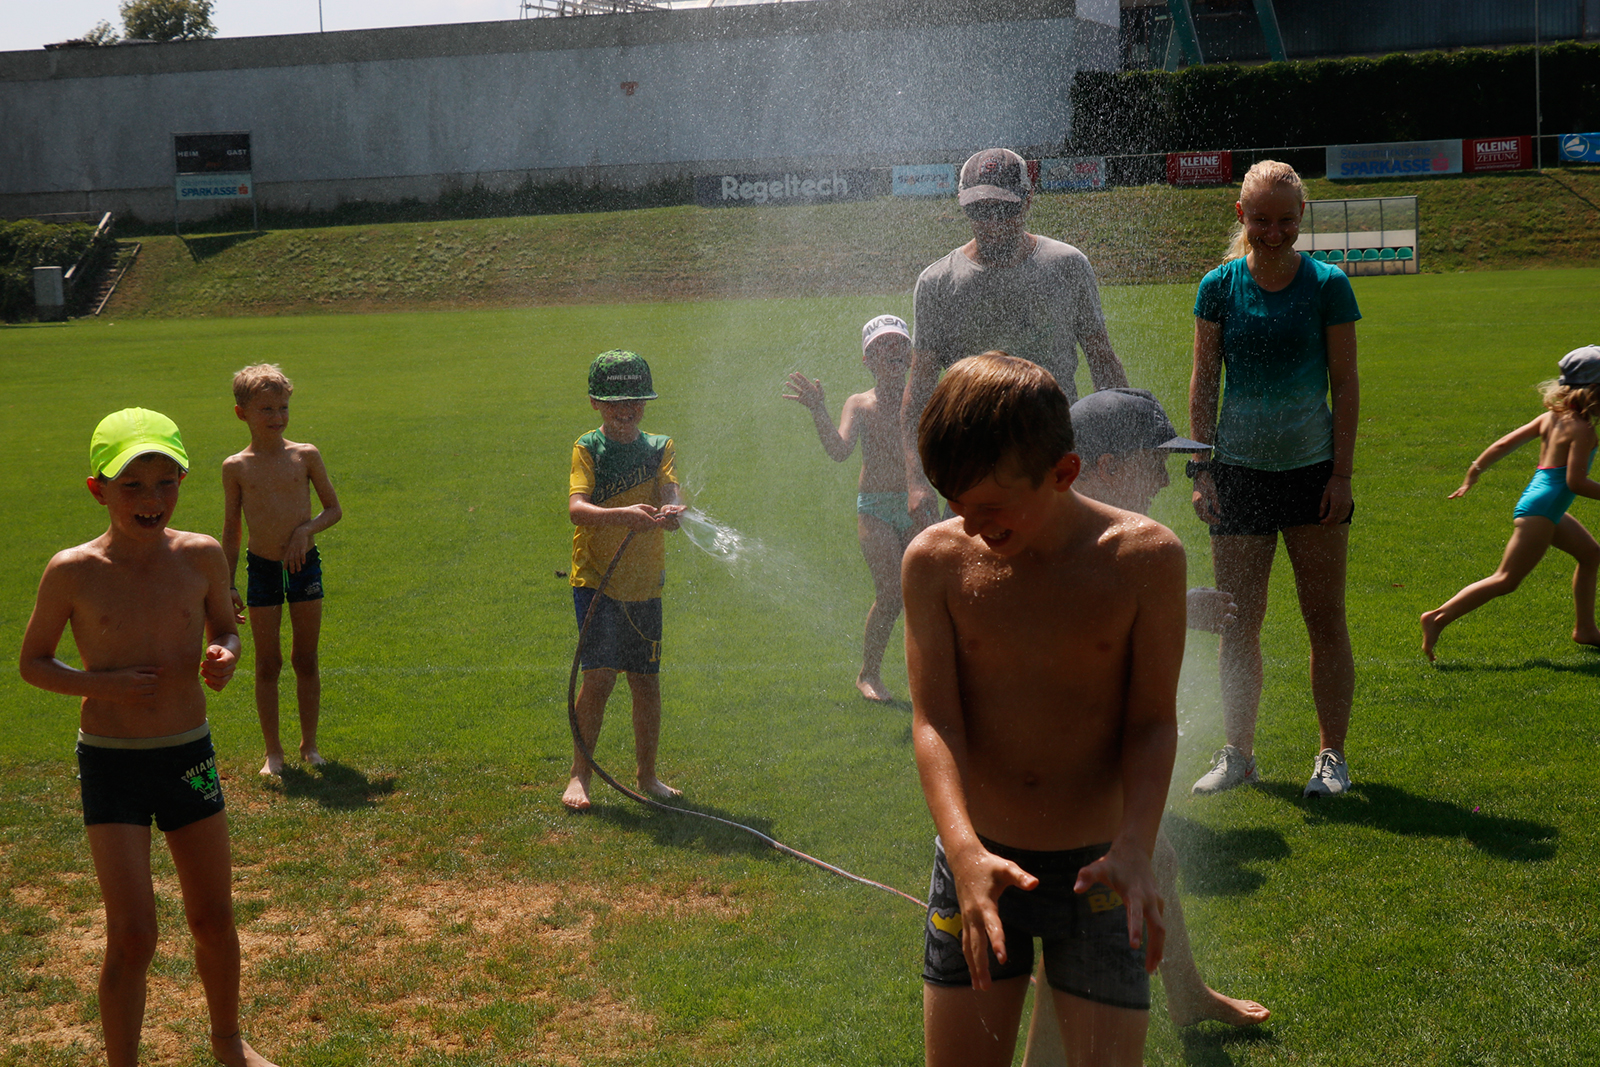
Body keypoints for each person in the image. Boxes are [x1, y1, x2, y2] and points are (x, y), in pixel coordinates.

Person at [905, 354, 1185, 1067]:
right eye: (955, 502)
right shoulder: (935, 561)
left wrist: (1137, 845)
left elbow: (1152, 722)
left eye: (990, 507)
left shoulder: (1144, 559)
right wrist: (963, 853)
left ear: (1064, 472)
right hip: (977, 860)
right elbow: (936, 722)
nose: (970, 524)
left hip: (1102, 871)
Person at [18, 408, 277, 1067]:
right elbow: (34, 662)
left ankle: (229, 1043)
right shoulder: (72, 570)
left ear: (182, 482)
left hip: (188, 753)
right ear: (97, 490)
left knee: (213, 918)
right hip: (113, 764)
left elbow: (226, 626)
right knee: (133, 933)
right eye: (131, 485)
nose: (151, 498)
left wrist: (225, 653)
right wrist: (99, 685)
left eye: (166, 482)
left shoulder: (202, 555)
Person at [1021, 389, 1268, 1065]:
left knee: (1158, 859)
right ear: (1103, 467)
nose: (1165, 478)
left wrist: (1174, 607)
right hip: (1057, 779)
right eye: (1153, 461)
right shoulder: (1071, 543)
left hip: (1083, 765)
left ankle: (1188, 995)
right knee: (1075, 942)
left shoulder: (1104, 539)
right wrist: (1174, 609)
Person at [1187, 159, 1361, 800]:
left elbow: (1345, 384)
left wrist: (1341, 474)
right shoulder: (1218, 286)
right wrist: (1203, 468)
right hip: (1237, 475)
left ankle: (1331, 756)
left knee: (1325, 618)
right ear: (1241, 215)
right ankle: (1239, 753)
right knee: (1237, 622)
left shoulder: (1328, 284)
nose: (1274, 232)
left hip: (1313, 474)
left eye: (1286, 220)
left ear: (1301, 217)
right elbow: (1204, 381)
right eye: (1260, 219)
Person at [902, 147, 1129, 528]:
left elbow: (1102, 360)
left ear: (1028, 200)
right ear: (962, 204)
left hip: (1054, 462)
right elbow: (919, 390)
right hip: (972, 470)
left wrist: (1122, 449)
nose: (992, 223)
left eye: (1004, 209)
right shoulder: (938, 283)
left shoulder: (1067, 266)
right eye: (979, 210)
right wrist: (915, 480)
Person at [1421, 346, 1600, 661]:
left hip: (1542, 506)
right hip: (1542, 511)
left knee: (1591, 555)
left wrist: (1474, 472)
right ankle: (1437, 617)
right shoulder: (1583, 430)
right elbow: (1576, 482)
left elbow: (1505, 443)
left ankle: (1585, 629)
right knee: (1506, 579)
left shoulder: (1552, 418)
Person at [565, 350, 686, 812]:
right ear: (595, 402)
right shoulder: (587, 447)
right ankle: (579, 775)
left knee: (645, 682)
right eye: (615, 402)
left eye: (635, 400)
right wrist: (624, 515)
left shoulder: (659, 447)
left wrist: (673, 509)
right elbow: (577, 509)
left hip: (645, 584)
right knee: (598, 679)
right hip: (597, 580)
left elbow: (671, 491)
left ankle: (648, 775)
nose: (626, 409)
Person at [783, 314, 915, 702]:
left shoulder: (921, 400)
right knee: (891, 594)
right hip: (876, 509)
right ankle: (868, 674)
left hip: (916, 505)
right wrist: (817, 409)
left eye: (900, 344)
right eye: (882, 345)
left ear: (911, 356)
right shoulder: (859, 403)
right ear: (867, 360)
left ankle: (932, 678)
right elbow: (840, 451)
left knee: (926, 595)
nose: (893, 350)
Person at [222, 363, 343, 778]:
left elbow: (333, 509)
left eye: (283, 408)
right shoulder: (236, 467)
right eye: (266, 409)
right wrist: (228, 583)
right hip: (262, 570)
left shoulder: (305, 455)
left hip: (304, 566)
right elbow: (232, 529)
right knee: (267, 663)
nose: (277, 417)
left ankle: (310, 746)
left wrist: (305, 531)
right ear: (242, 413)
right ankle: (272, 752)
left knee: (305, 658)